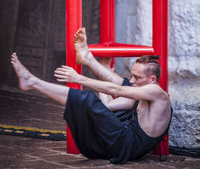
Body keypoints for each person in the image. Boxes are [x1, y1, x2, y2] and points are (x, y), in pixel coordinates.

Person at [11, 27, 172, 165]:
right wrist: (102, 84)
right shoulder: (144, 92)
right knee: (118, 88)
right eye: (133, 75)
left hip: (125, 145)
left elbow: (118, 91)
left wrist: (78, 79)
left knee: (88, 98)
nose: (132, 79)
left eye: (137, 77)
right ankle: (87, 59)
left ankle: (32, 82)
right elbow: (109, 104)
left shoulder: (156, 92)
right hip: (124, 135)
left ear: (152, 80)